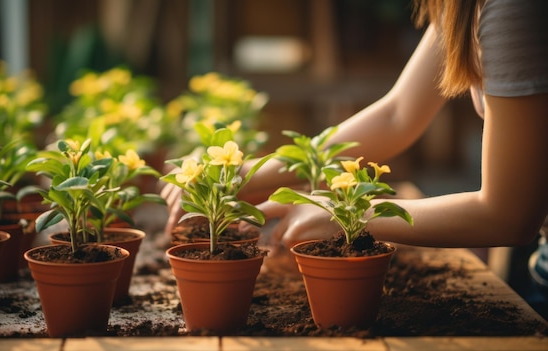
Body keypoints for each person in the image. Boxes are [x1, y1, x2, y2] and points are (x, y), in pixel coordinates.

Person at [161, 0, 548, 252]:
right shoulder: (462, 7)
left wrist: (350, 213)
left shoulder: (513, 9)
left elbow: (508, 215)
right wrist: (243, 175)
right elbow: (397, 114)